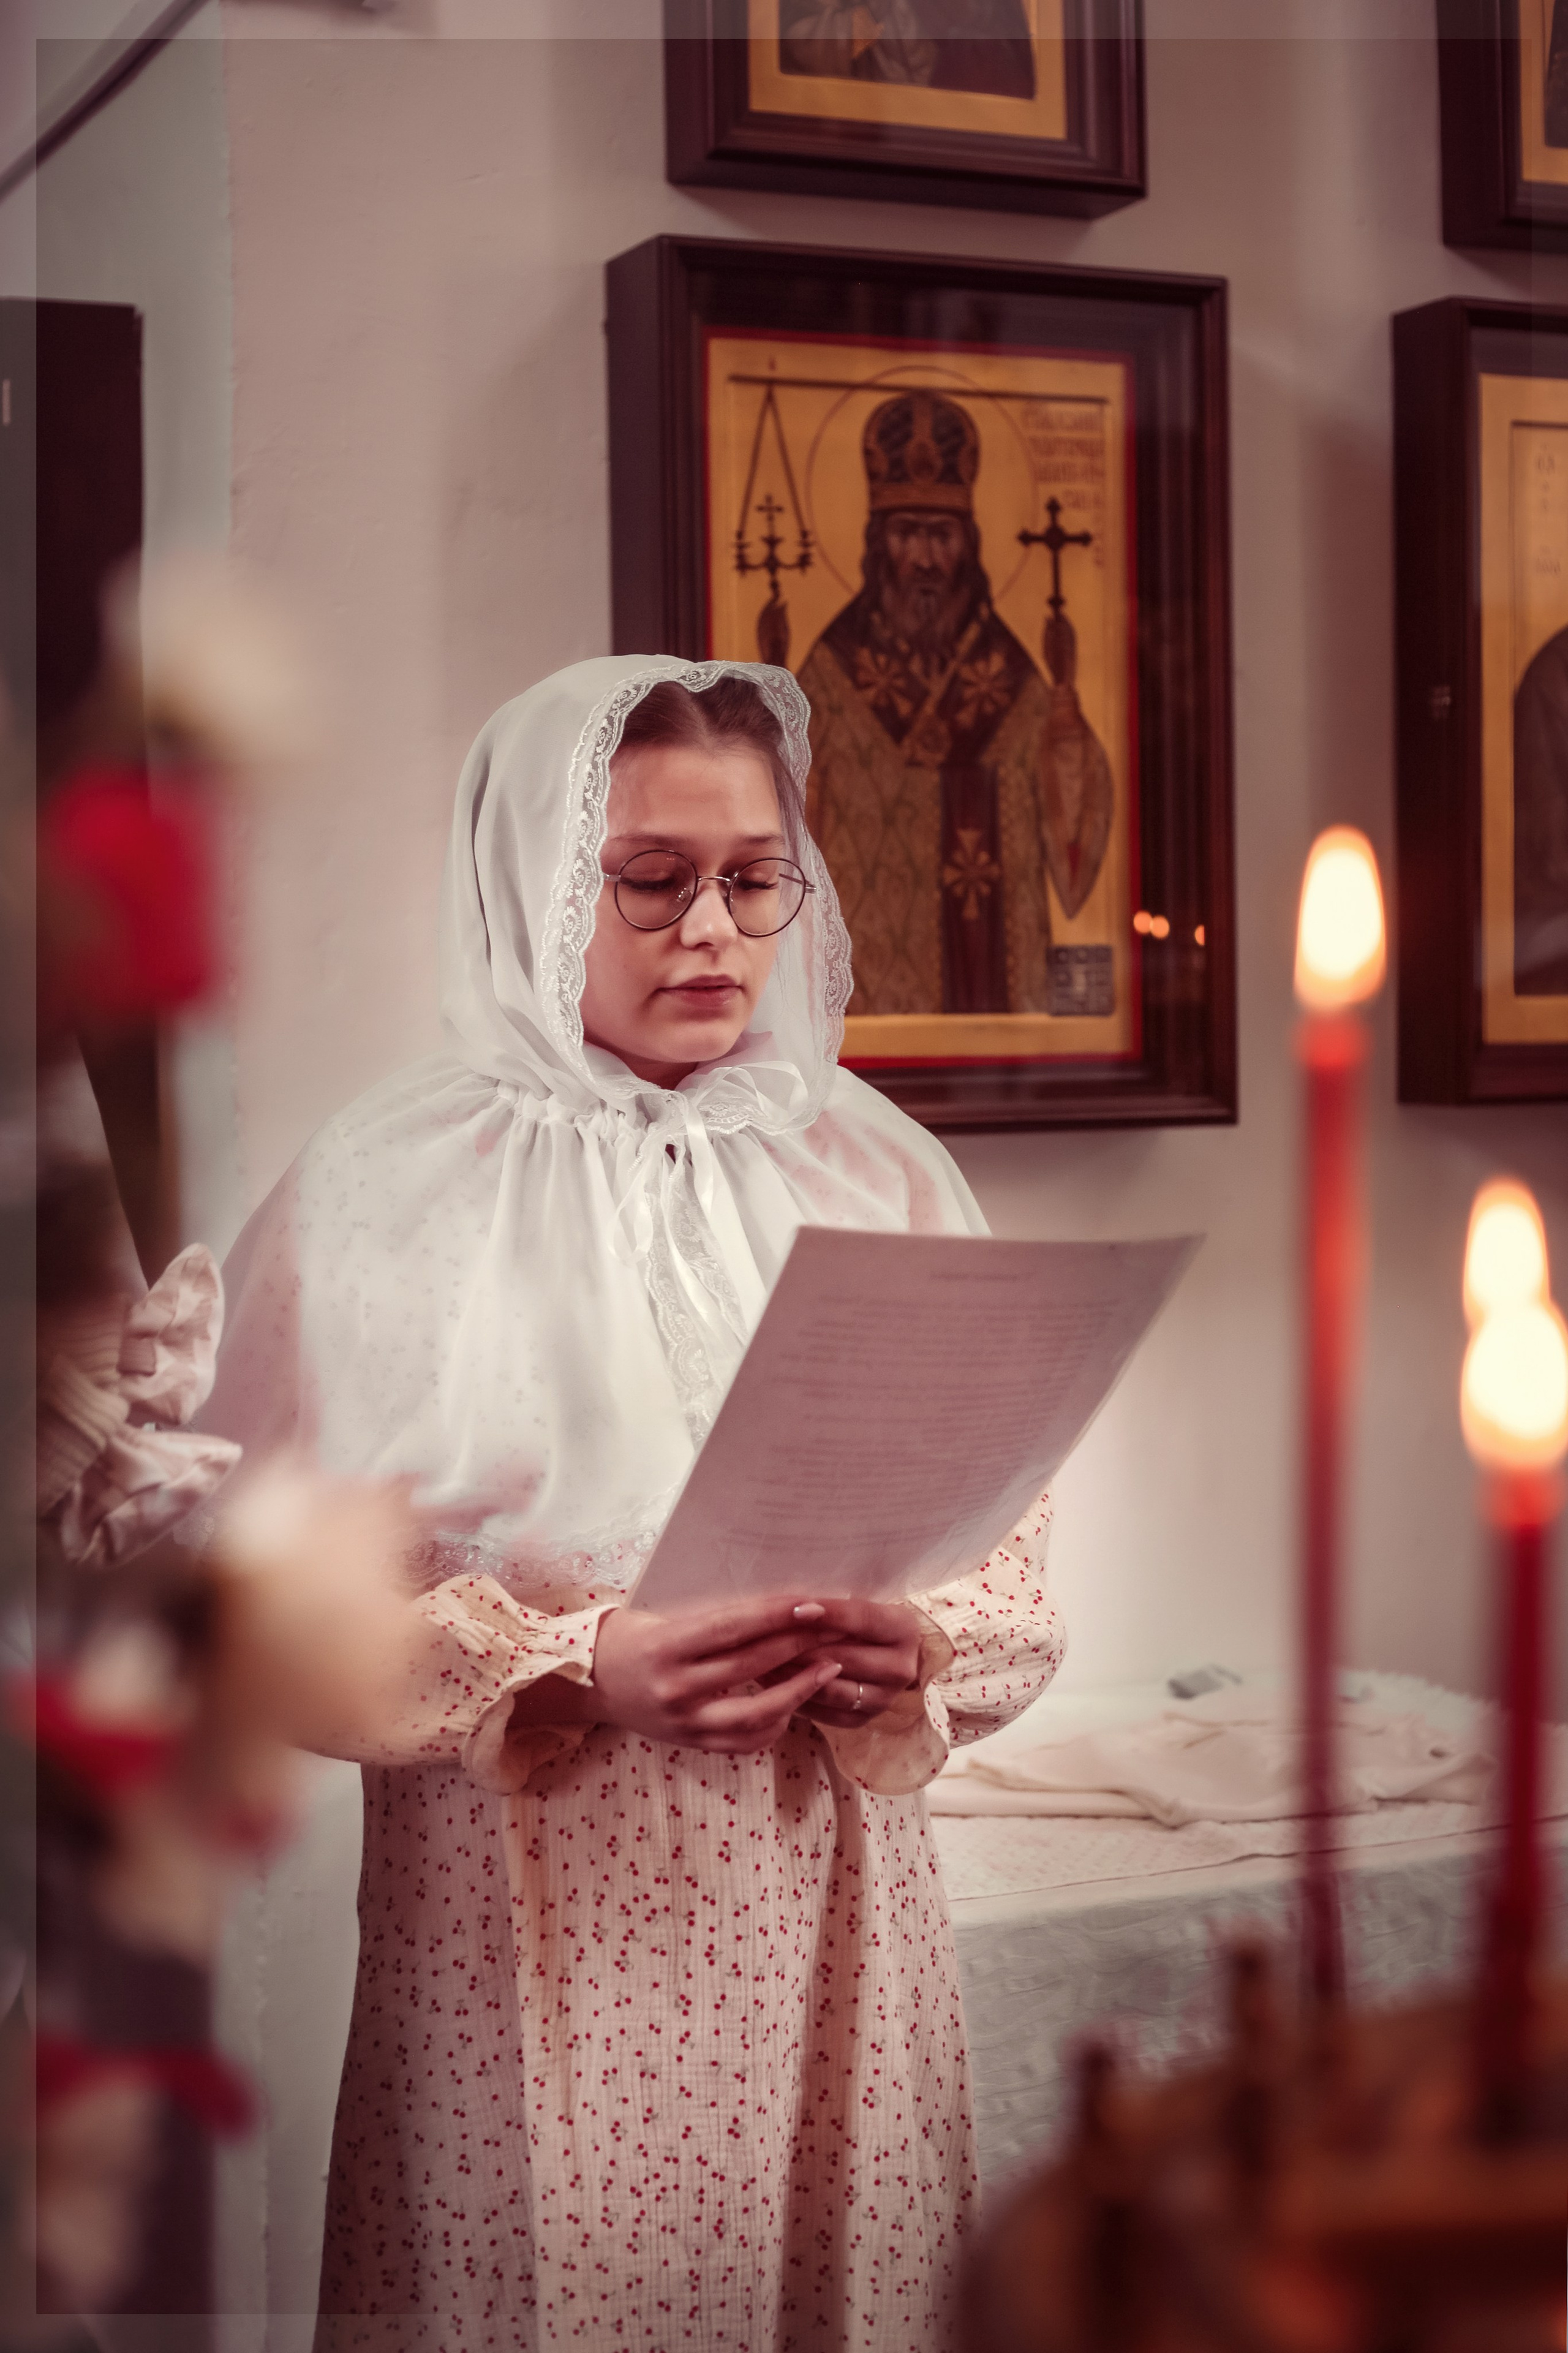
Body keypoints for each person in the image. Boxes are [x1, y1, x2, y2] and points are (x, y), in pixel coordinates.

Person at [203, 656, 1063, 2352]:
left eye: (756, 882)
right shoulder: (386, 1195)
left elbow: (1012, 1559)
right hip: (528, 1942)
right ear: (533, 883)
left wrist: (922, 1647)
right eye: (652, 882)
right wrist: (572, 1669)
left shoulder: (871, 1167)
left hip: (834, 1920)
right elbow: (242, 1609)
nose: (712, 937)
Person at [796, 391, 1058, 1019]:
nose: (923, 560)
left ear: (967, 544)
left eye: (940, 536)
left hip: (1001, 994)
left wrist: (1070, 739)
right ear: (876, 544)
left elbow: (1074, 820)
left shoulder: (1016, 676)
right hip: (865, 991)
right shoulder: (830, 670)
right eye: (906, 534)